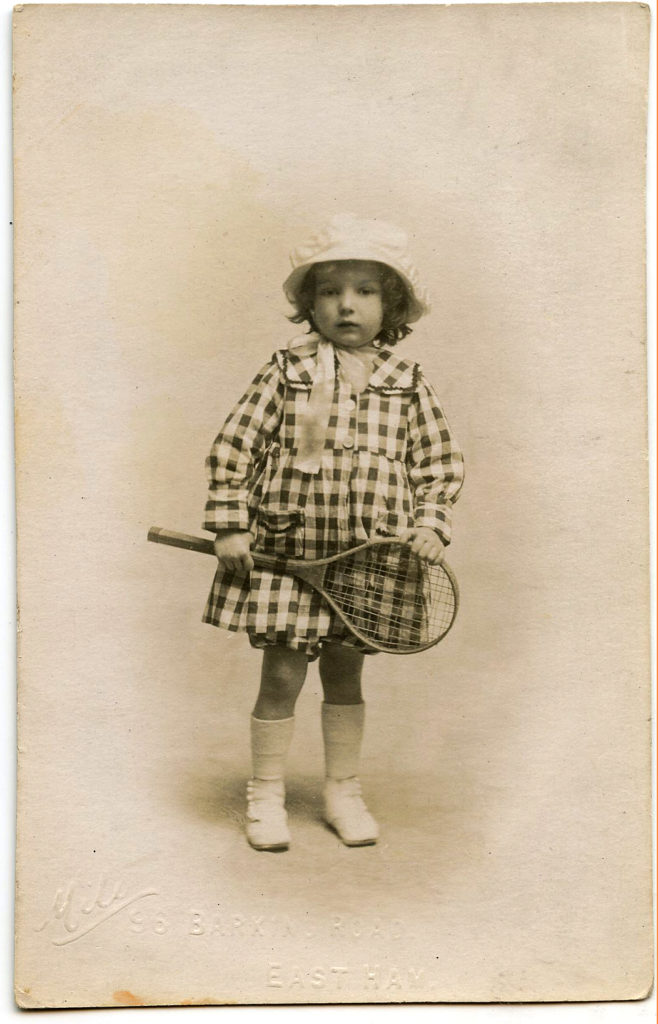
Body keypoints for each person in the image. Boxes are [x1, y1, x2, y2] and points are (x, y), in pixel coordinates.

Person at [202, 213, 464, 852]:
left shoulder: (406, 384)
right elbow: (233, 449)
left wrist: (431, 525)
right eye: (330, 291)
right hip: (289, 556)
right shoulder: (285, 373)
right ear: (309, 304)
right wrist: (230, 525)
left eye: (366, 290)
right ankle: (264, 794)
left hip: (368, 564)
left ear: (391, 303)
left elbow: (439, 464)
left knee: (346, 677)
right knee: (283, 677)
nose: (347, 304)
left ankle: (342, 789)